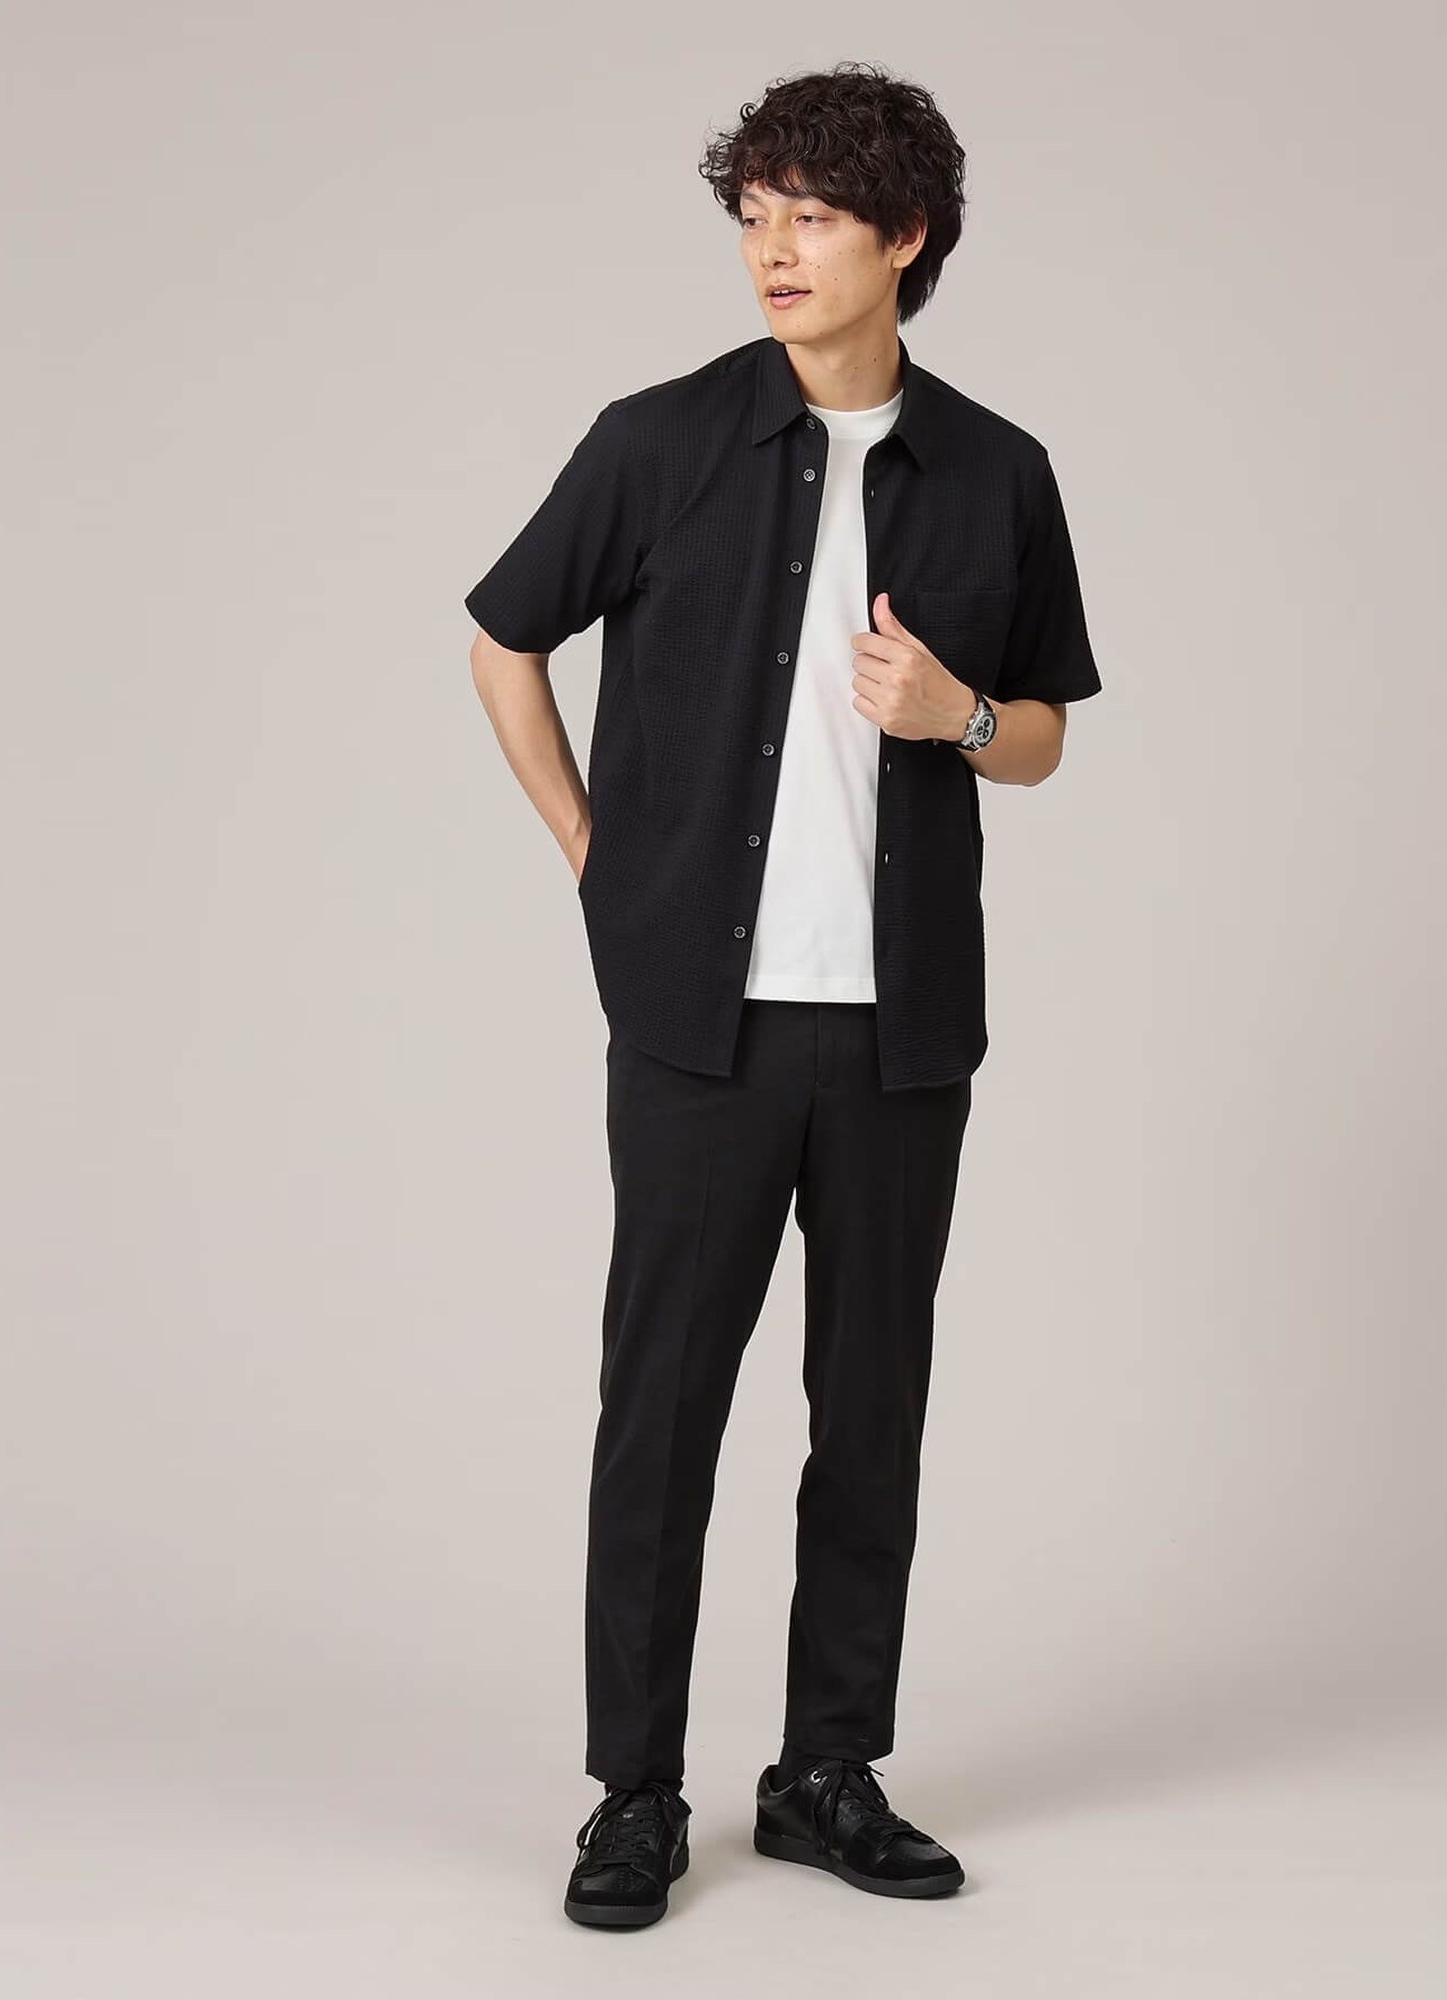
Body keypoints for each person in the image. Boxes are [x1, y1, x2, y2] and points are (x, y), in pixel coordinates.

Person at [463, 61, 1102, 1929]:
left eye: (811, 216)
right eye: (754, 215)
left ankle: (828, 1771)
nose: (773, 249)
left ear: (906, 238)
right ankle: (634, 1793)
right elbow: (502, 635)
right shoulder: (657, 442)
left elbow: (1045, 732)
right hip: (700, 1027)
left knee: (871, 1407)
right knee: (661, 1407)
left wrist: (958, 717)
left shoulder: (997, 471)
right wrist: (599, 856)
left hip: (902, 1033)